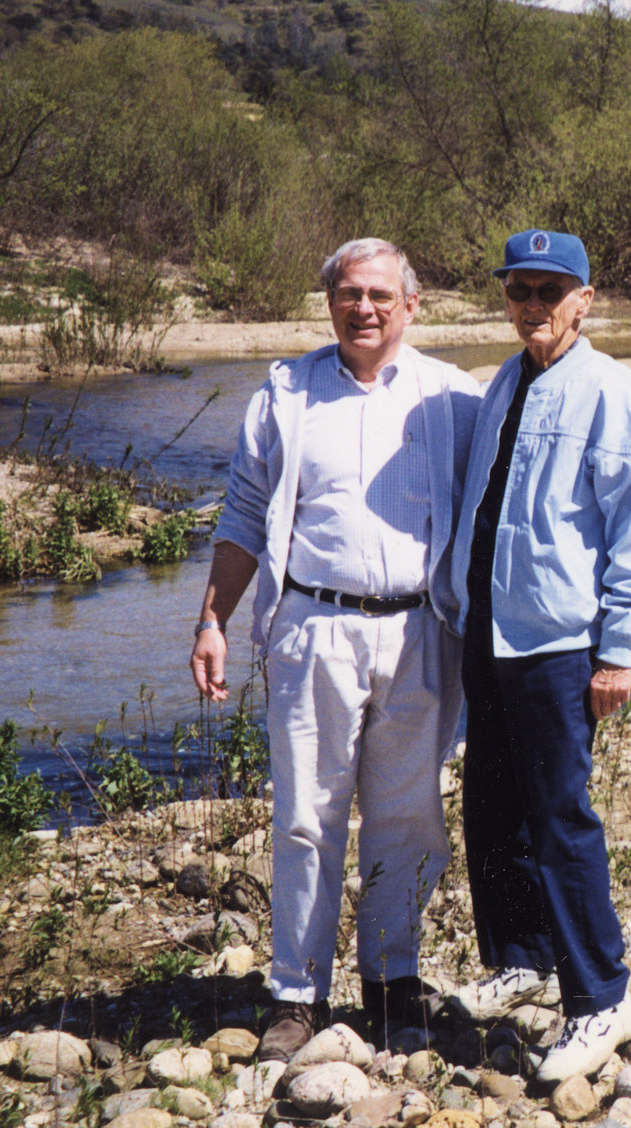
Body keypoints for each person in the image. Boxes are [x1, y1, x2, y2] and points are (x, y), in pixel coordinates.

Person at [189, 238, 480, 1060]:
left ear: (412, 306)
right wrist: (211, 620)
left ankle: (392, 982)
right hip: (311, 629)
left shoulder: (452, 399)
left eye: (382, 295)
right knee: (306, 817)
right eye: (350, 293)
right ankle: (296, 994)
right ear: (329, 301)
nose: (365, 309)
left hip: (421, 631)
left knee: (408, 813)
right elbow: (245, 516)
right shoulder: (285, 395)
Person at [445, 229, 631, 1083]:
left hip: (559, 642)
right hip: (490, 634)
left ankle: (600, 996)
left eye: (550, 290)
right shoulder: (503, 382)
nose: (532, 305)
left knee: (559, 819)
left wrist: (617, 651)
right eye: (519, 290)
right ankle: (523, 958)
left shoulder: (615, 393)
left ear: (586, 299)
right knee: (493, 806)